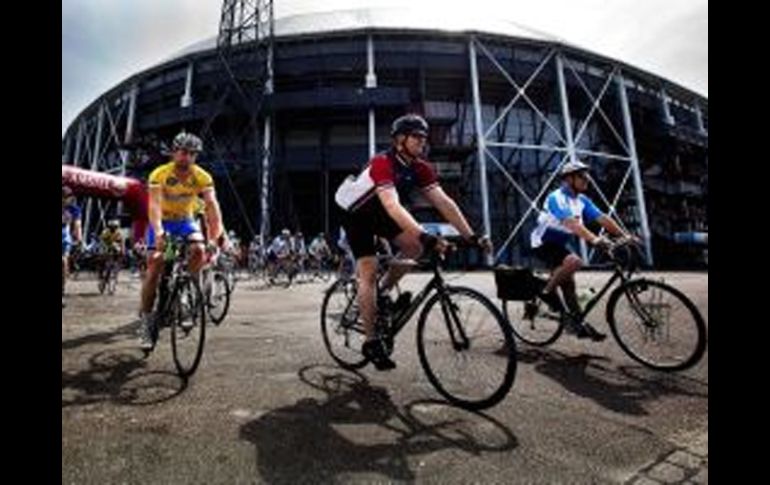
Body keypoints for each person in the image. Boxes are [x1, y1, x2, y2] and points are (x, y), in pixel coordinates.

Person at [334, 113, 491, 370]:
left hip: (381, 214)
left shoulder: (421, 168)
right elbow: (393, 205)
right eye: (416, 137)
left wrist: (471, 236)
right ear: (400, 140)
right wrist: (426, 235)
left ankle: (382, 292)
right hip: (356, 214)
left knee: (414, 248)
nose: (422, 141)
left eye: (424, 137)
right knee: (368, 271)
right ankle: (371, 341)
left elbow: (444, 203)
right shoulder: (382, 162)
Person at [530, 159, 639, 341]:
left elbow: (603, 218)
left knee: (569, 285)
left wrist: (625, 235)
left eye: (587, 175)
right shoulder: (556, 198)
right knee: (575, 262)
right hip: (542, 243)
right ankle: (545, 292)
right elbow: (571, 224)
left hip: (559, 244)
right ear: (568, 179)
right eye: (581, 176)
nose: (587, 179)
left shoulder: (582, 200)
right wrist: (594, 239)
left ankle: (577, 324)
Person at [138, 131, 225, 350]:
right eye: (184, 152)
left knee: (199, 249)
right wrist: (159, 232)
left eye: (193, 154)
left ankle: (188, 289)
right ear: (174, 152)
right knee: (156, 263)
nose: (187, 157)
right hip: (164, 223)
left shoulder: (202, 176)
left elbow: (212, 206)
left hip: (185, 222)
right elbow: (154, 206)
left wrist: (215, 236)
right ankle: (146, 321)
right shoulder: (160, 173)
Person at [62, 185, 82, 307]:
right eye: (64, 196)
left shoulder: (74, 209)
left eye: (68, 197)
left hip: (64, 237)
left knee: (63, 261)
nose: (66, 199)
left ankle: (62, 291)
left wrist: (79, 239)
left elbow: (77, 225)